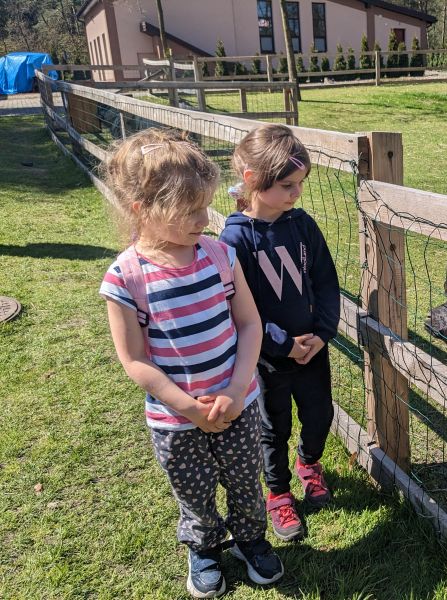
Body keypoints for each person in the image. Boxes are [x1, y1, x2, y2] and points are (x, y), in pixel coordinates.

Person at [99, 129, 284, 598]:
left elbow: (249, 324)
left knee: (246, 479)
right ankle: (204, 548)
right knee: (194, 492)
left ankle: (250, 539)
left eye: (206, 205)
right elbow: (135, 360)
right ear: (142, 210)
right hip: (176, 420)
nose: (205, 218)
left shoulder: (220, 255)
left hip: (238, 402)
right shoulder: (127, 277)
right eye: (190, 211)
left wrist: (238, 390)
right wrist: (188, 407)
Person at [220, 124, 340, 542]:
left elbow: (325, 281)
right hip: (268, 358)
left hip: (313, 350)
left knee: (319, 415)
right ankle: (279, 494)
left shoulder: (303, 225)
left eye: (301, 184)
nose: (296, 193)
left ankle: (310, 463)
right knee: (274, 428)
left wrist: (322, 335)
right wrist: (282, 345)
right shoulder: (234, 239)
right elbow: (242, 308)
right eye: (288, 185)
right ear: (253, 180)